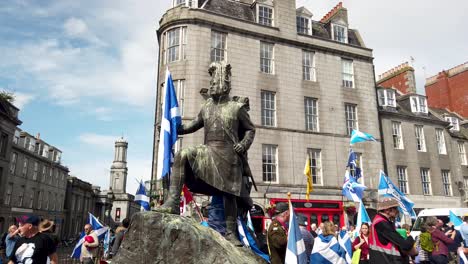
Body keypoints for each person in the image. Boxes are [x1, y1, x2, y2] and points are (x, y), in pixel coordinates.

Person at [155, 62, 256, 245]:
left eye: (217, 84)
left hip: (229, 154)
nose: (214, 86)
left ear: (225, 86)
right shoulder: (207, 107)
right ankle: (172, 202)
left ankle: (231, 232)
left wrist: (243, 144)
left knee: (229, 194)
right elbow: (192, 125)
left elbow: (250, 130)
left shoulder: (236, 108)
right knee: (182, 154)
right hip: (208, 150)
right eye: (212, 83)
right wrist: (174, 128)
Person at [368, 197, 415, 264]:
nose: (398, 211)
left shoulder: (377, 221)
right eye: (395, 208)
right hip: (387, 260)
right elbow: (405, 245)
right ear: (387, 210)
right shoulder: (382, 224)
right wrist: (410, 238)